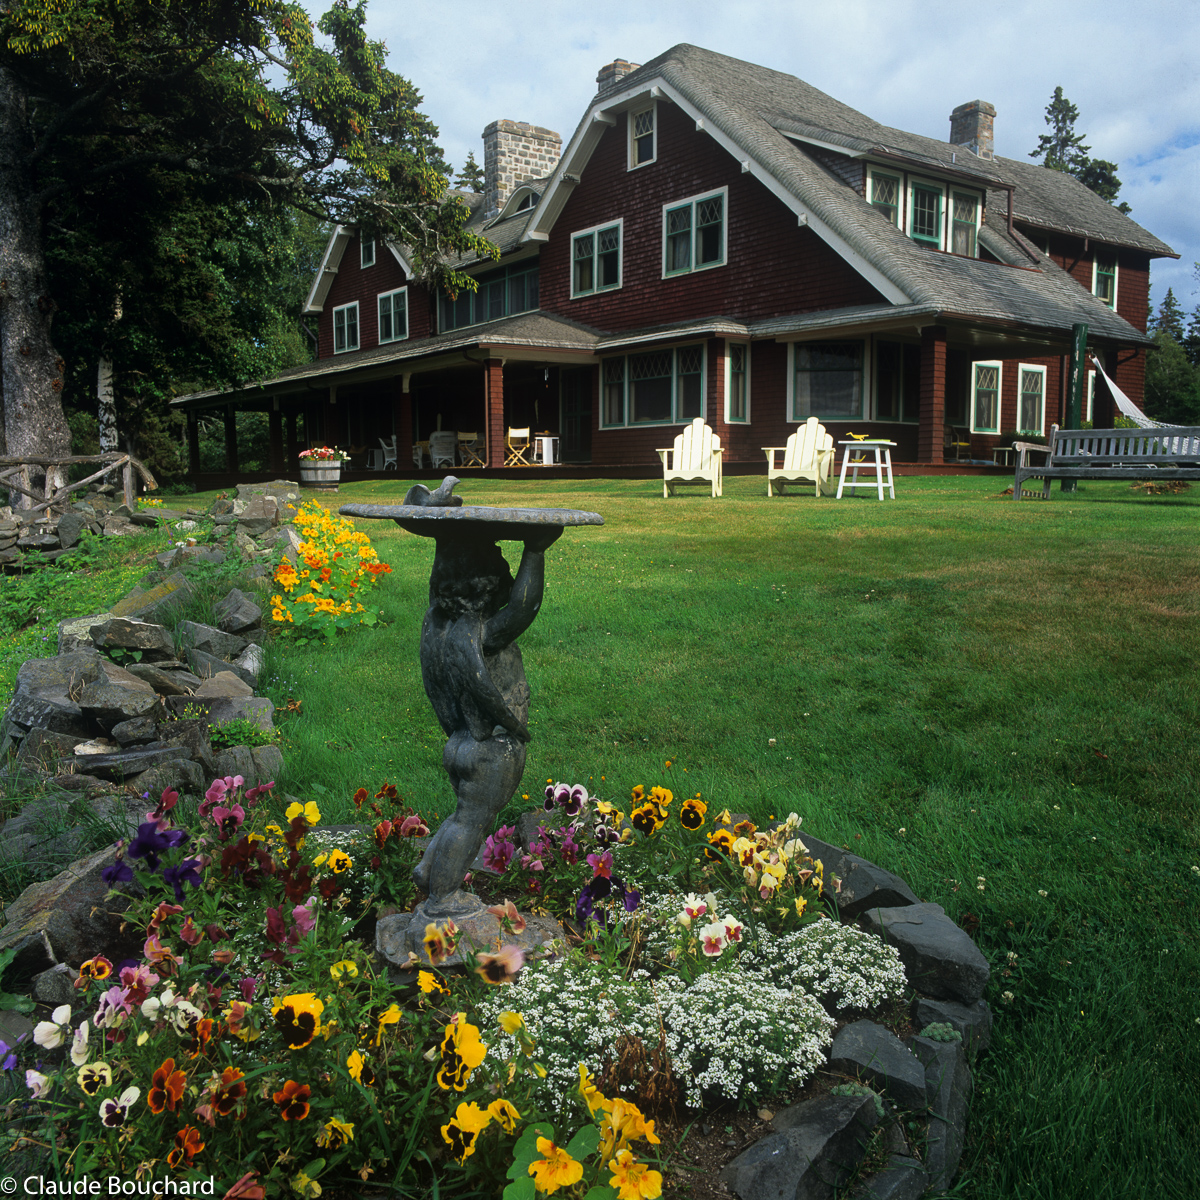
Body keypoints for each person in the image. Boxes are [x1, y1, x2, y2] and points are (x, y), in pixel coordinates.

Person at [411, 523, 562, 914]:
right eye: (503, 573)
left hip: (459, 742)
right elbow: (522, 609)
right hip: (491, 747)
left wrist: (445, 536)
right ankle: (442, 899)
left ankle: (429, 871)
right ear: (489, 587)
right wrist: (535, 550)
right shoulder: (484, 636)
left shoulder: (437, 624)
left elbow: (441, 582)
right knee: (473, 822)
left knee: (463, 813)